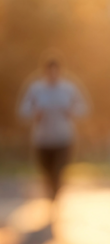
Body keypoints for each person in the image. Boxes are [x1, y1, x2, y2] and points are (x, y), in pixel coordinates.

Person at [17, 57, 89, 205]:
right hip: (42, 139)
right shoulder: (35, 89)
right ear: (45, 72)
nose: (53, 75)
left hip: (63, 138)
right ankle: (51, 191)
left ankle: (56, 193)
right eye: (50, 72)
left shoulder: (69, 89)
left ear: (60, 72)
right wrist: (34, 113)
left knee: (59, 171)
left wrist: (72, 112)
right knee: (46, 171)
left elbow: (83, 107)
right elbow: (23, 110)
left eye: (55, 72)